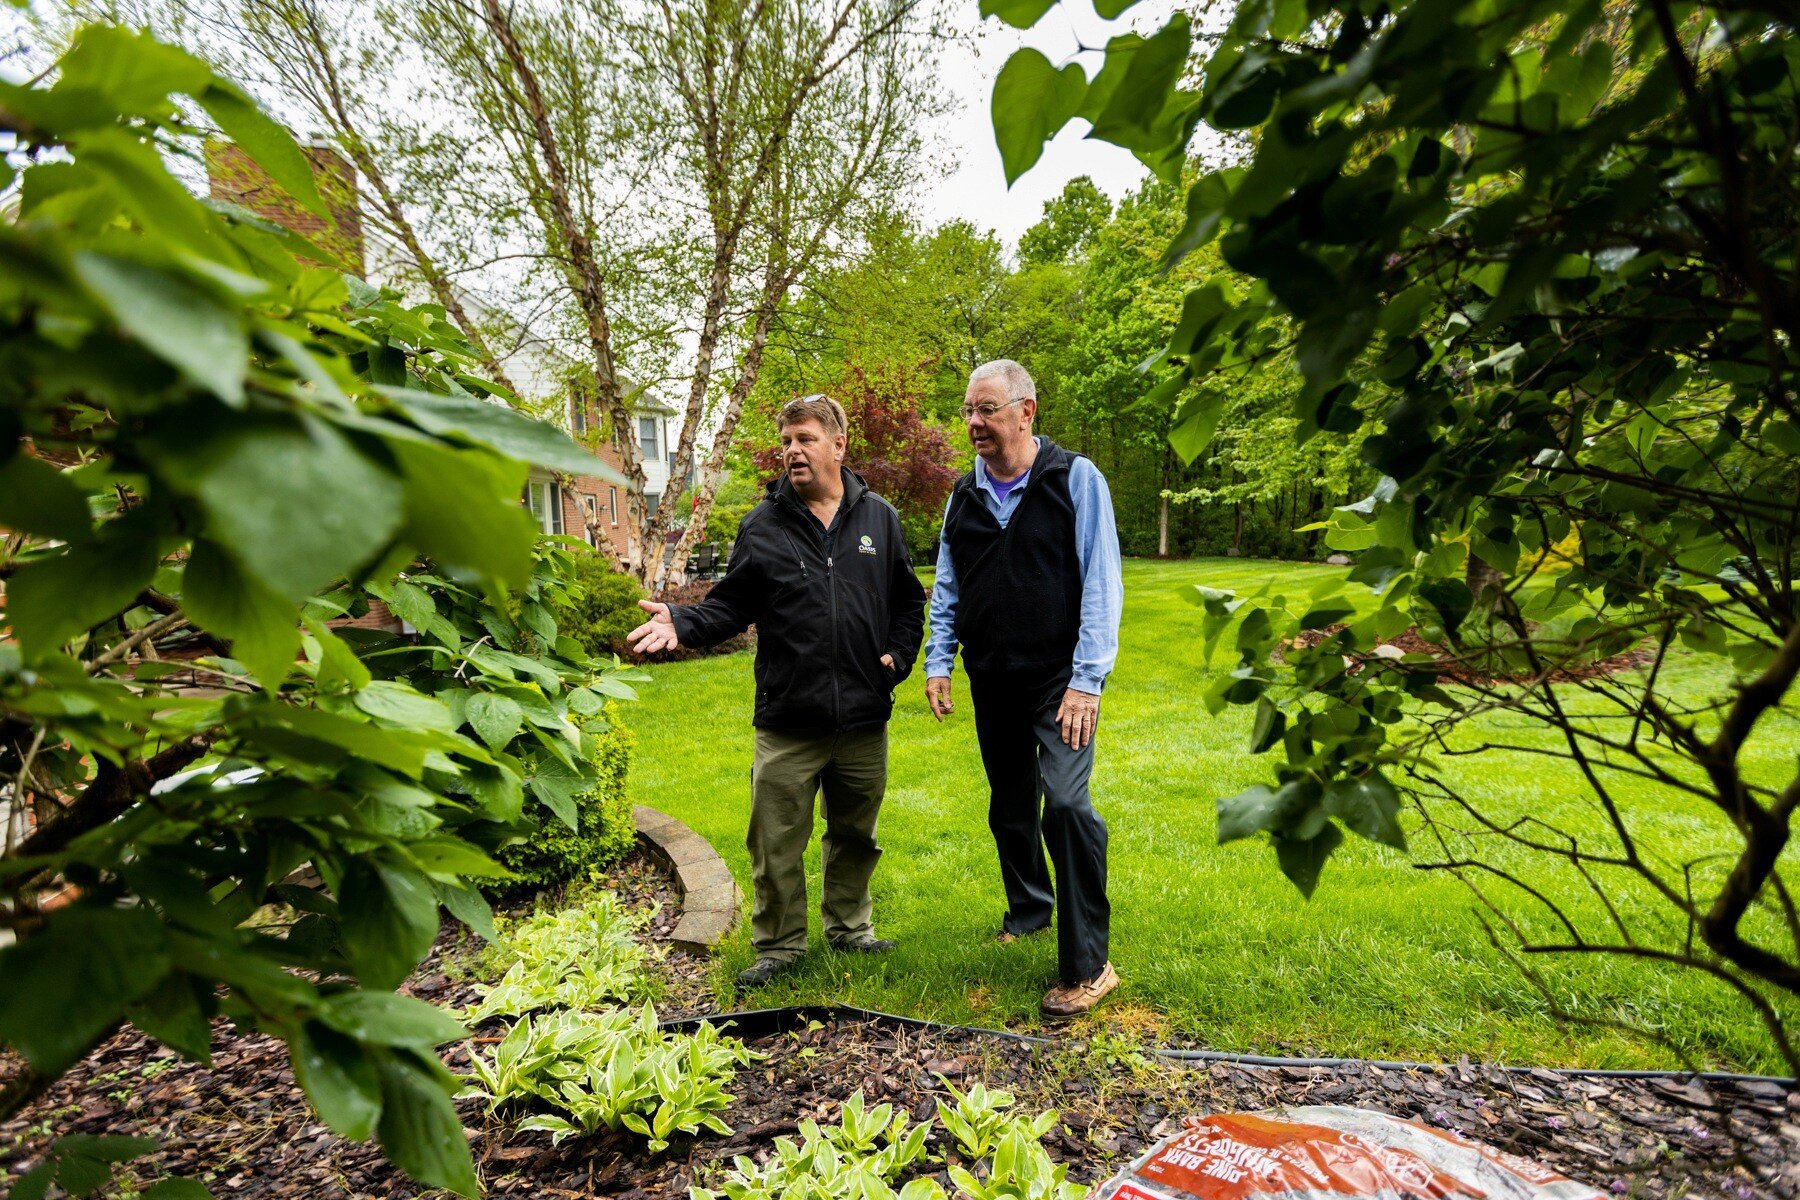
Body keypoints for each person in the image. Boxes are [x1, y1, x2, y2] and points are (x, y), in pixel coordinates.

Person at [627, 394, 926, 987]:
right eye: (786, 441)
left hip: (864, 715)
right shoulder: (763, 525)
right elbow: (733, 606)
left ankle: (850, 930)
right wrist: (681, 623)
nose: (792, 450)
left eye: (805, 439)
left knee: (855, 836)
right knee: (776, 842)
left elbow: (908, 601)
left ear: (838, 446)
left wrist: (897, 658)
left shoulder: (878, 519)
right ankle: (781, 947)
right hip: (790, 717)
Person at [923, 359, 1123, 1018]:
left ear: (1025, 411)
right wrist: (939, 660)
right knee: (1010, 808)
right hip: (994, 680)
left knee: (1064, 805)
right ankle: (1030, 910)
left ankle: (1090, 965)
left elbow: (1101, 580)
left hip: (1059, 685)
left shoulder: (1074, 479)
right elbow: (949, 585)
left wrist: (1088, 681)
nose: (974, 423)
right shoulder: (962, 496)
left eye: (986, 409)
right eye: (969, 411)